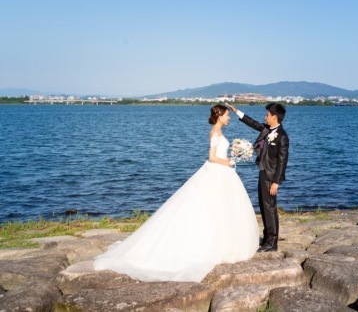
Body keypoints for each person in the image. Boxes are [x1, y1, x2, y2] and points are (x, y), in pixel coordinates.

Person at [93, 104, 258, 281]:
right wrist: (228, 162)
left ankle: (224, 243)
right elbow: (211, 157)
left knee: (220, 207)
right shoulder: (215, 133)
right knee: (213, 206)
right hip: (217, 171)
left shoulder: (218, 132)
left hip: (221, 172)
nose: (229, 118)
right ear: (219, 116)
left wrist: (230, 159)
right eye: (227, 115)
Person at [225, 102, 289, 252]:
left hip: (271, 176)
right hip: (263, 172)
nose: (265, 116)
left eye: (267, 114)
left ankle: (272, 242)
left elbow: (282, 161)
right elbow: (252, 123)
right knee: (264, 206)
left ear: (274, 116)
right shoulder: (267, 129)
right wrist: (236, 111)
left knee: (269, 207)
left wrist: (276, 182)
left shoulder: (282, 136)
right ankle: (267, 238)